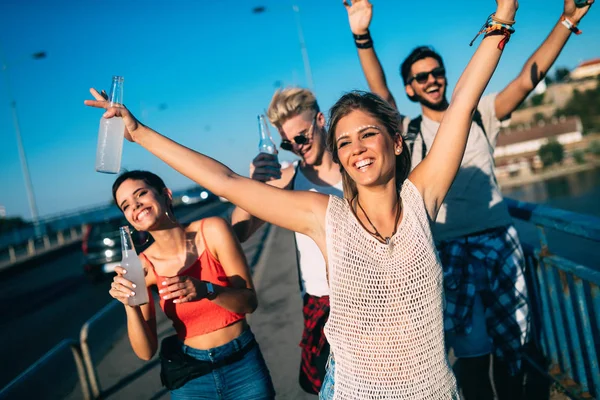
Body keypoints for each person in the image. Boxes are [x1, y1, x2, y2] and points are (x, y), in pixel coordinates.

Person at [85, 0, 516, 395]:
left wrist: (505, 13)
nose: (357, 148)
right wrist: (139, 133)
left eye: (369, 134)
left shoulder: (422, 196)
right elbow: (227, 182)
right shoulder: (323, 215)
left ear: (397, 142)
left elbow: (463, 103)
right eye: (345, 142)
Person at [343, 0, 594, 398]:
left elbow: (529, 79)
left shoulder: (480, 113)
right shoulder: (405, 132)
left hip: (499, 242)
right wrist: (362, 34)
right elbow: (379, 93)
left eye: (437, 72)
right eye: (420, 76)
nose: (431, 80)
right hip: (447, 253)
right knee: (473, 363)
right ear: (410, 87)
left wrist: (567, 21)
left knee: (514, 352)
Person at [107, 170, 275, 399]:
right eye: (125, 205)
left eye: (141, 194)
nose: (135, 206)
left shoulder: (212, 230)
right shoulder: (141, 266)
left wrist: (207, 290)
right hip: (192, 380)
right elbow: (146, 352)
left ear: (166, 194)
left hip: (243, 366)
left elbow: (249, 302)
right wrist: (129, 305)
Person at [231, 87, 342, 394]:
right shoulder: (288, 179)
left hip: (373, 292)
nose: (297, 147)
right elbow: (239, 232)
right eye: (287, 142)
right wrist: (252, 187)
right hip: (321, 303)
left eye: (302, 136)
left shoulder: (355, 165)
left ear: (321, 120)